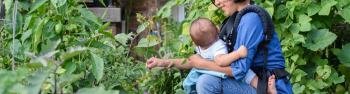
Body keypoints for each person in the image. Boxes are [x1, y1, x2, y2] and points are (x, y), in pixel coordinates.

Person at [147, 0, 293, 93]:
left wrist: (202, 64)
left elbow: (239, 71)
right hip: (252, 84)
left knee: (206, 82)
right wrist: (164, 63)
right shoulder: (234, 20)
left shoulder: (251, 19)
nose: (216, 2)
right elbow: (204, 58)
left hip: (269, 88)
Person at [183, 18, 258, 93]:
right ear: (218, 29)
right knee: (249, 75)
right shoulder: (218, 46)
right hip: (229, 73)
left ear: (195, 44)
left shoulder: (204, 47)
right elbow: (220, 61)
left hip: (228, 74)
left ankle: (265, 89)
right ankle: (265, 88)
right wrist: (238, 53)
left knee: (247, 75)